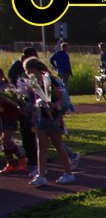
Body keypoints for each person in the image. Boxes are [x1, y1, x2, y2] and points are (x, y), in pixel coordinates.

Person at [22, 57, 75, 186]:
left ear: (34, 69)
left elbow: (61, 99)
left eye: (28, 71)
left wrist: (53, 105)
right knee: (41, 146)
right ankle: (41, 175)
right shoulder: (33, 83)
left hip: (53, 118)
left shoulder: (50, 80)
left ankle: (68, 173)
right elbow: (32, 100)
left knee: (58, 145)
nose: (27, 74)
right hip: (40, 118)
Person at [0, 69, 28, 173]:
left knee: (7, 139)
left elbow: (15, 102)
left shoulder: (7, 87)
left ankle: (21, 157)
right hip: (1, 116)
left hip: (10, 116)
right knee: (4, 141)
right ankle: (10, 163)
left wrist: (5, 99)